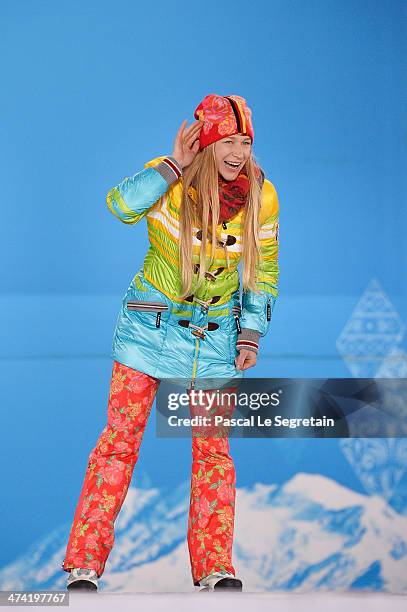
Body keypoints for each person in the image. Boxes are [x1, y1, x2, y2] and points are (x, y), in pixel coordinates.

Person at [60, 93, 280, 592]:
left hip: (215, 341)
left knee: (213, 454)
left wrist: (251, 331)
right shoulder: (169, 183)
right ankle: (84, 567)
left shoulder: (262, 196)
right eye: (227, 140)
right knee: (118, 446)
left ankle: (214, 568)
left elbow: (263, 267)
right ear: (205, 141)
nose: (237, 153)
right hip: (148, 334)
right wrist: (173, 166)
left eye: (245, 142)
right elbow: (119, 205)